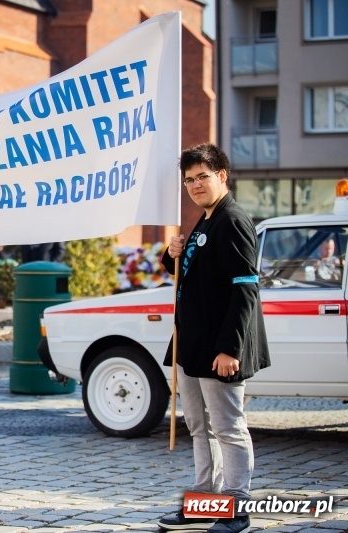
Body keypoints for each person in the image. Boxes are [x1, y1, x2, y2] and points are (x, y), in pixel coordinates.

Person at [158, 144, 270, 533]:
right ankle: (205, 500)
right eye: (188, 179)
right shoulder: (205, 221)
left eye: (202, 176)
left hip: (218, 347)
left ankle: (237, 506)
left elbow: (245, 288)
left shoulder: (232, 221)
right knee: (199, 427)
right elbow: (193, 274)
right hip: (192, 345)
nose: (194, 185)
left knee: (228, 427)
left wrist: (230, 347)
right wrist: (170, 253)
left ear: (222, 175)